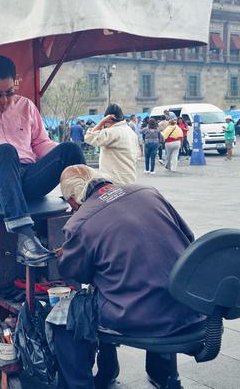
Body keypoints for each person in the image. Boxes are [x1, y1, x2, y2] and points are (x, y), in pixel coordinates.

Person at [52, 165, 204, 389]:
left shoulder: (79, 222)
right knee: (152, 280)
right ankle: (165, 375)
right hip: (189, 304)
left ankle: (80, 385)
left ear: (73, 201)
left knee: (64, 314)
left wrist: (67, 252)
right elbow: (188, 238)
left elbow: (75, 273)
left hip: (138, 317)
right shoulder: (148, 192)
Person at [0, 55, 84, 267]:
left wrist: (60, 154)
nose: (4, 101)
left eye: (9, 93)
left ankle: (90, 221)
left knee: (71, 149)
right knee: (5, 151)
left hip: (28, 177)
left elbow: (40, 144)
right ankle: (25, 238)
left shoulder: (26, 106)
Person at [84, 103, 139, 184]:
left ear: (109, 119)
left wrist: (101, 122)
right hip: (130, 178)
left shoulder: (113, 132)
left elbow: (89, 138)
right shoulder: (130, 132)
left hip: (114, 180)